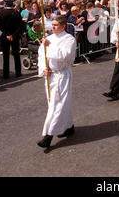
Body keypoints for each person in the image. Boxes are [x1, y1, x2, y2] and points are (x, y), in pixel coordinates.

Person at [37, 15, 77, 150]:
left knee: (57, 105)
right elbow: (41, 55)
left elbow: (65, 56)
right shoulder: (48, 38)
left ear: (63, 26)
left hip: (62, 75)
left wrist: (50, 46)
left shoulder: (69, 39)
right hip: (50, 76)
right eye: (52, 24)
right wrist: (44, 68)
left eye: (55, 25)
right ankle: (69, 126)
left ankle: (48, 135)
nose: (52, 27)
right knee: (55, 104)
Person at [0, 0, 23, 79]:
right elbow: (20, 26)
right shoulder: (16, 13)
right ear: (13, 4)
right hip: (14, 37)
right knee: (16, 54)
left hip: (4, 37)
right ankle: (18, 72)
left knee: (6, 55)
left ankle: (6, 74)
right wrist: (13, 35)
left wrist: (6, 35)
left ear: (5, 4)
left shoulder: (1, 13)